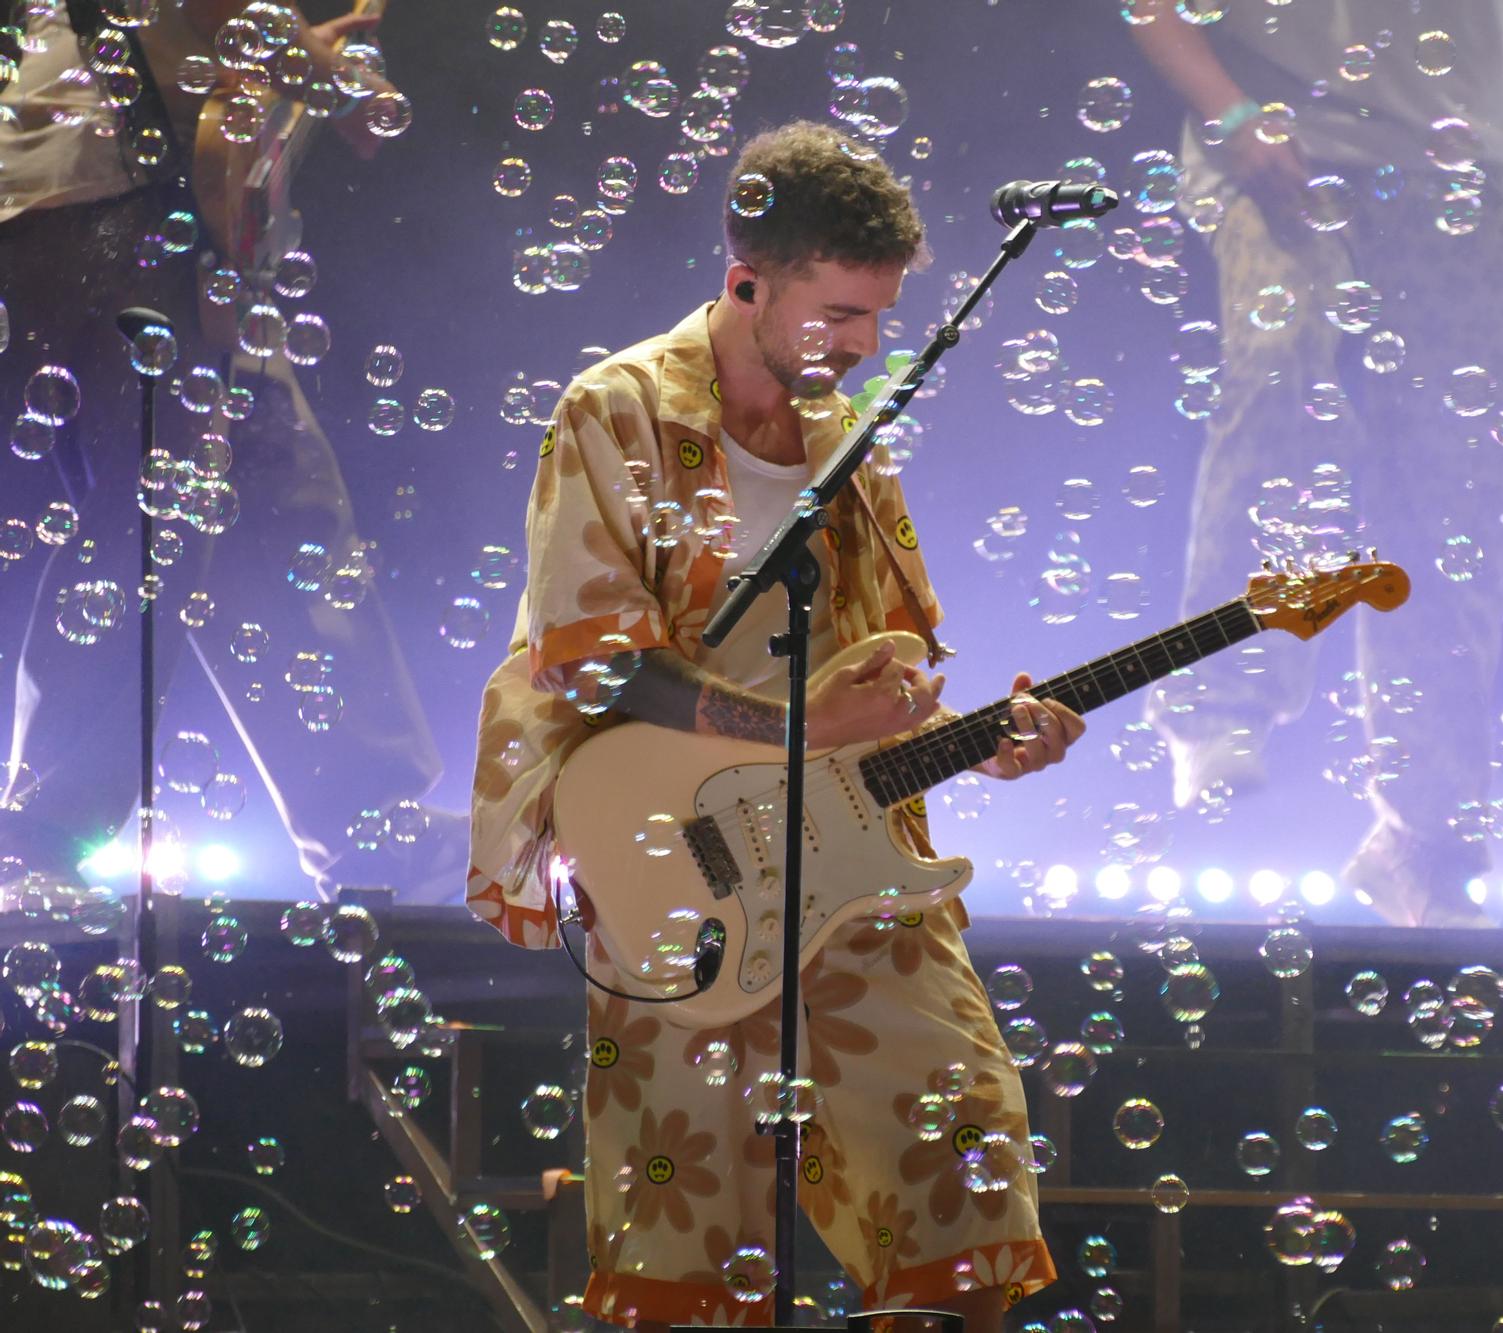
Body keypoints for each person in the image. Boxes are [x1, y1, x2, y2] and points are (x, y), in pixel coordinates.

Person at [466, 121, 1083, 1330]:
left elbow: (884, 680)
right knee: (687, 1215)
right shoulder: (619, 407)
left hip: (844, 852)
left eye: (876, 317)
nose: (862, 347)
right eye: (837, 314)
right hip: (660, 852)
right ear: (747, 280)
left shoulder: (851, 448)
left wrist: (983, 738)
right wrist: (792, 727)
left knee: (965, 1136)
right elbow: (594, 666)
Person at [1132, 1, 1503, 927]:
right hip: (1281, 140)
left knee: (1459, 471)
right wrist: (1233, 117)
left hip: (1457, 165)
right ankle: (1222, 702)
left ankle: (1426, 833)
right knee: (1281, 376)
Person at [0, 0, 459, 903]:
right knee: (161, 502)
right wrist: (331, 77)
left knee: (273, 489)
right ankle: (45, 834)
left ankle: (373, 830)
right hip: (107, 201)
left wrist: (301, 56)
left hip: (117, 208)